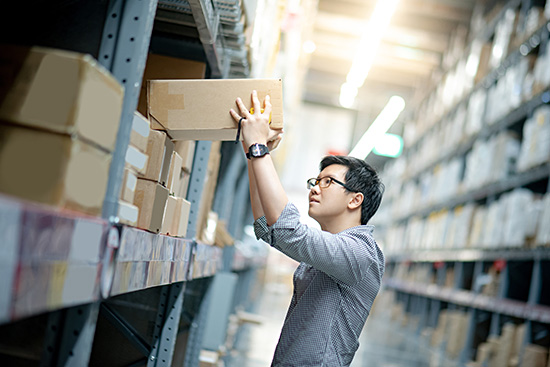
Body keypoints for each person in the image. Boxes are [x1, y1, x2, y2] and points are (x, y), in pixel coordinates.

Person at [230, 90, 386, 367]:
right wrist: (252, 153)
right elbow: (268, 227)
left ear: (355, 199)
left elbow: (289, 231)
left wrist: (259, 148)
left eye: (327, 182)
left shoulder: (360, 253)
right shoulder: (329, 247)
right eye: (315, 180)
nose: (315, 188)